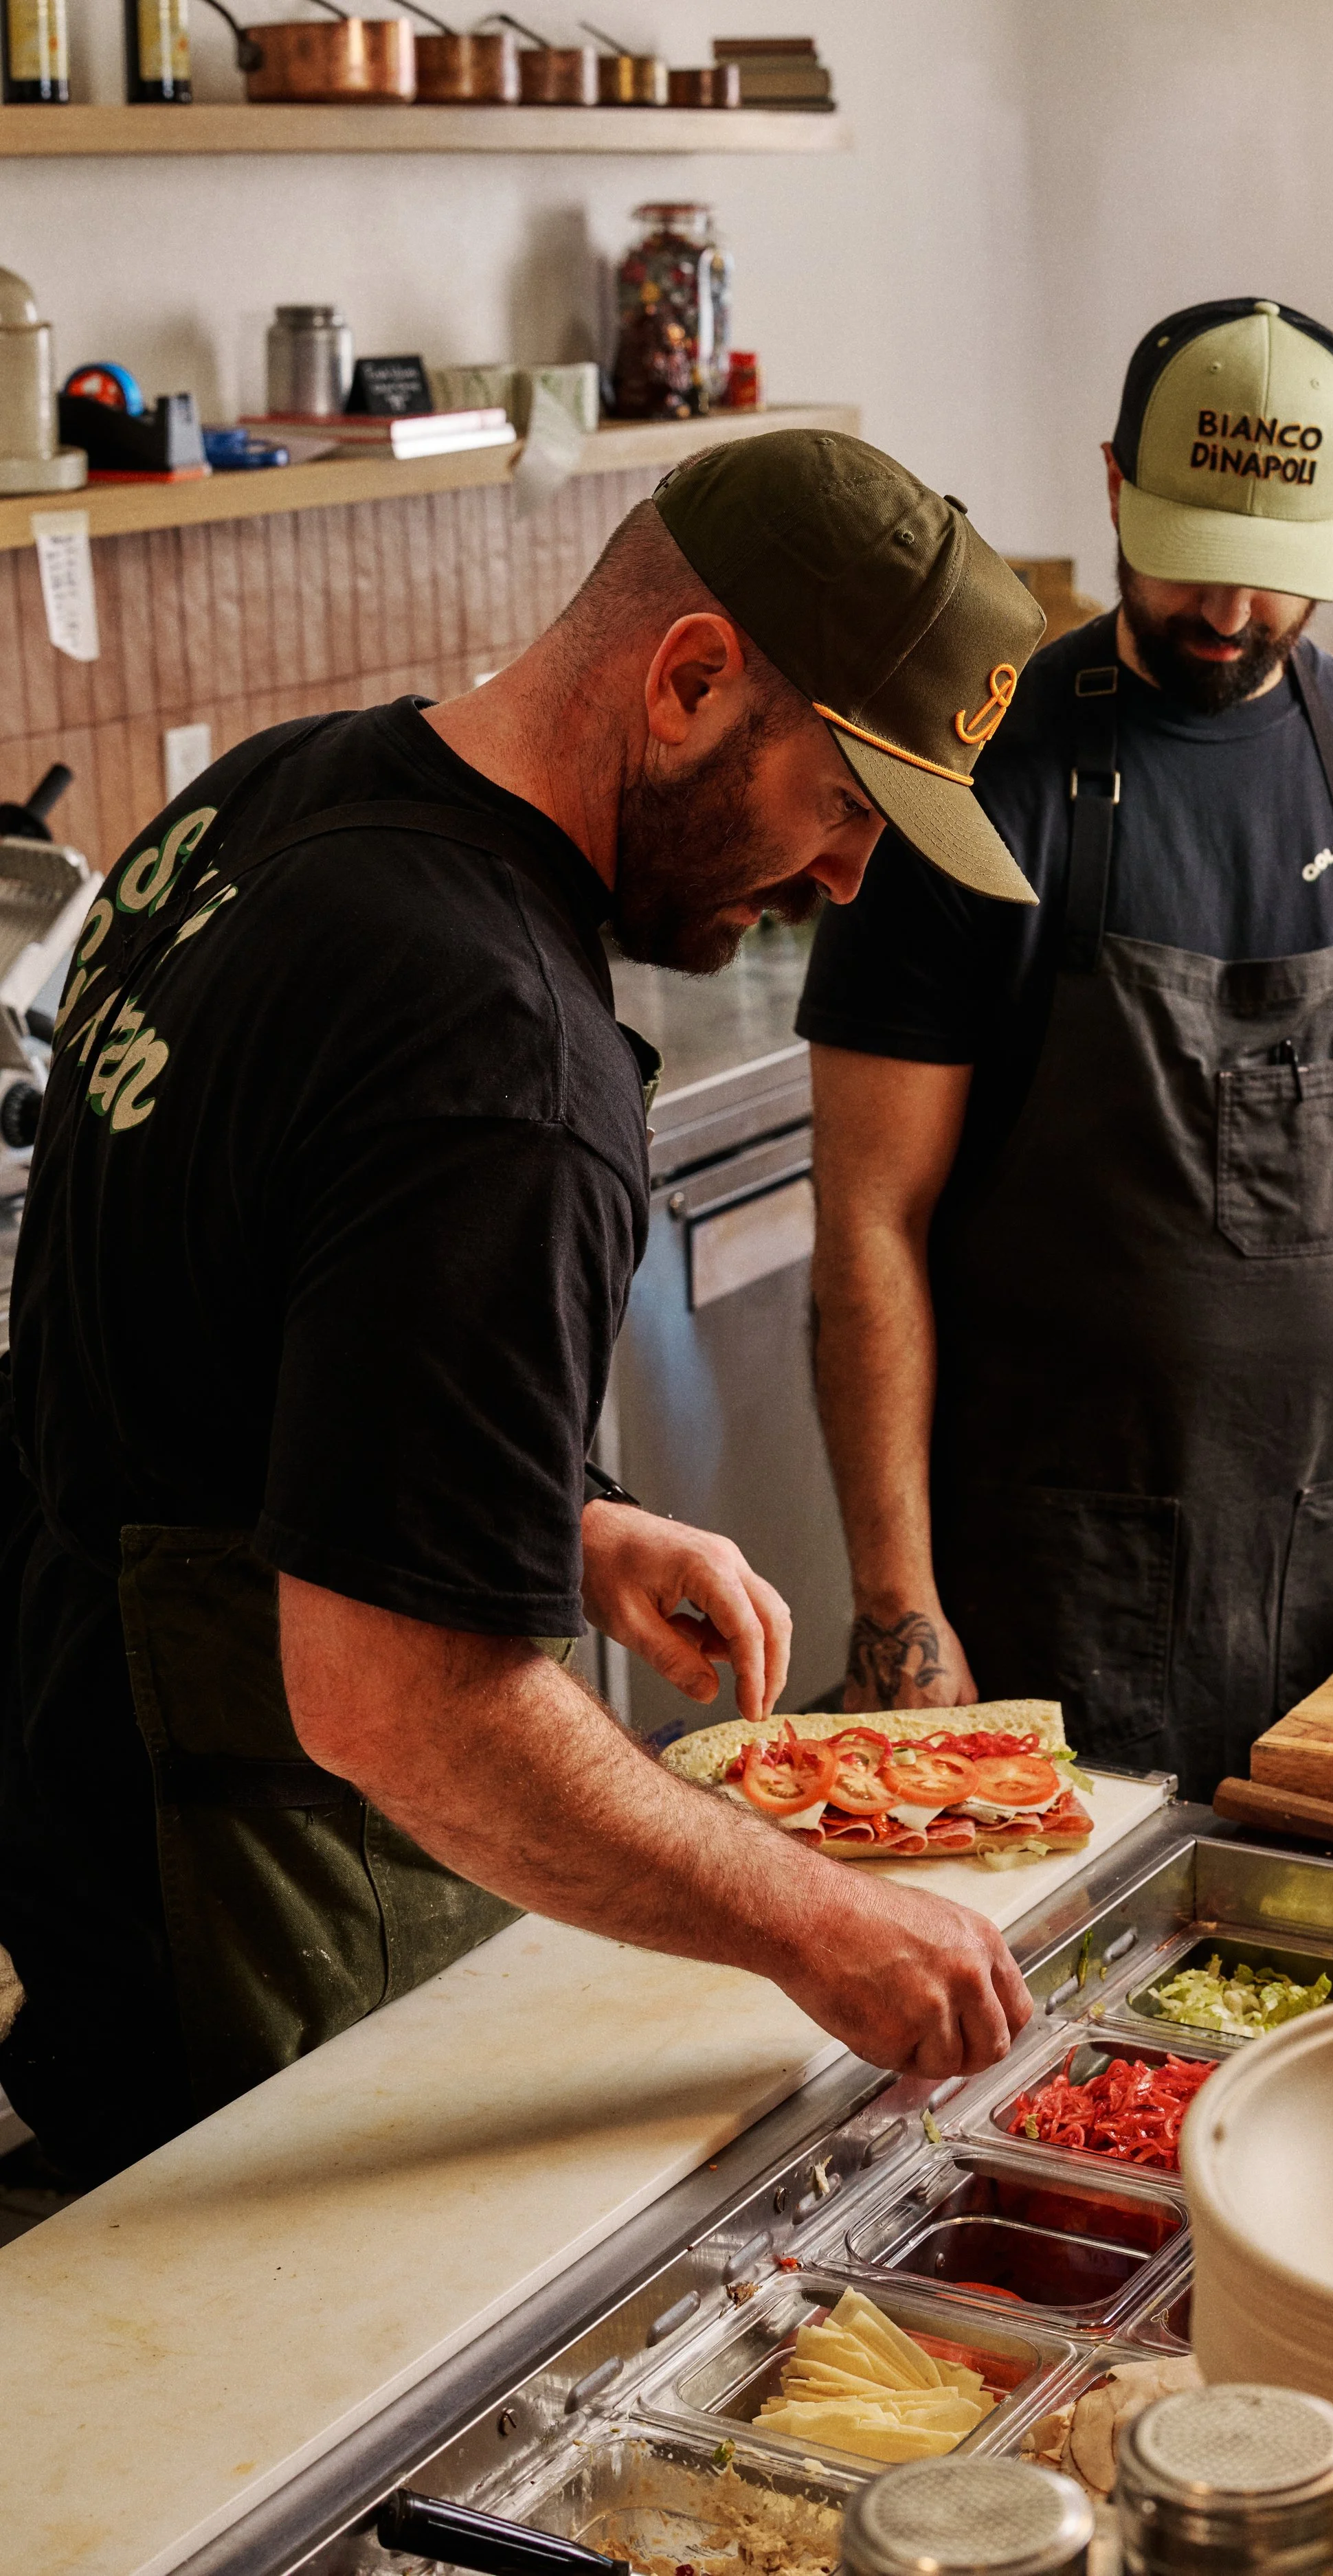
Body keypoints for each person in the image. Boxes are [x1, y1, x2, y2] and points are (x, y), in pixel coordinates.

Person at [0, 429, 1046, 2185]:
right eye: (848, 804)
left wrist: (551, 1521)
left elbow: (230, 1334)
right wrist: (813, 1920)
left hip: (80, 1854)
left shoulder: (268, 799)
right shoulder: (503, 1066)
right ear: (692, 679)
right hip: (255, 1952)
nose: (849, 879)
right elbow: (405, 1705)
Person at [800, 298, 1333, 1800]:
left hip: (1326, 1534)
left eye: (1275, 575)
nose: (1226, 609)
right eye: (1189, 553)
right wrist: (898, 1606)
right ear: (1108, 488)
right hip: (1030, 1551)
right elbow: (866, 1227)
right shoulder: (974, 789)